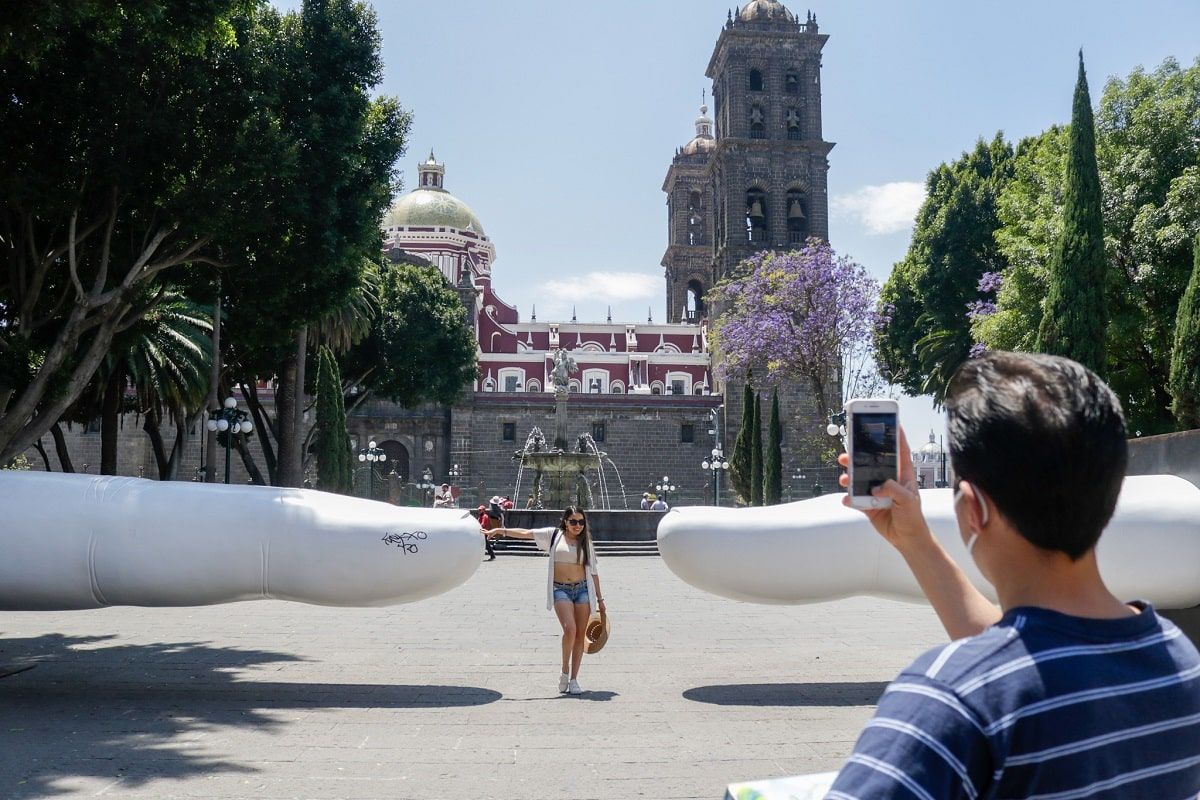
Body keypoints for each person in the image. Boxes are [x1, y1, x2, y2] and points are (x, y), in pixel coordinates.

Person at [827, 351, 1200, 798]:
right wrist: (915, 539)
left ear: (973, 509)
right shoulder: (1178, 661)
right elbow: (1033, 661)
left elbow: (1009, 673)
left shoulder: (948, 700)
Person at [485, 506, 606, 695]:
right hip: (560, 590)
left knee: (579, 635)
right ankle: (564, 669)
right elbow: (527, 533)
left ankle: (574, 679)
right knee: (570, 630)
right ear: (565, 521)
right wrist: (500, 530)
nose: (577, 525)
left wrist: (600, 599)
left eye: (581, 522)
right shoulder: (553, 535)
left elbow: (594, 572)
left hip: (582, 590)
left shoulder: (586, 543)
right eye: (573, 521)